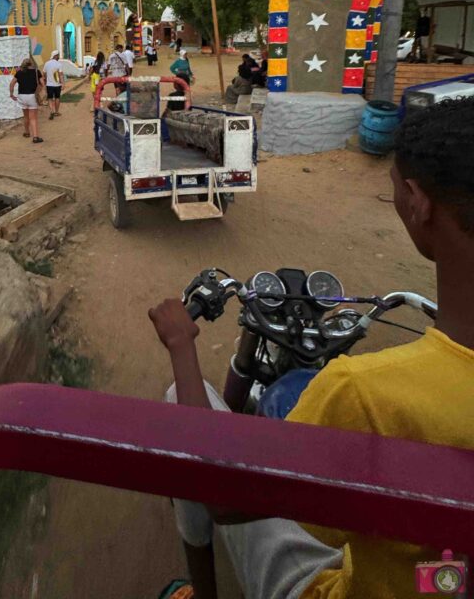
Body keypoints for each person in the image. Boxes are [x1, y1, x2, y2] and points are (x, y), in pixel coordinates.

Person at [149, 96, 474, 599]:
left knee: (181, 398)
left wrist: (181, 344)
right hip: (442, 578)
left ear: (417, 201)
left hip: (348, 587)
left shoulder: (365, 392)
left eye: (393, 193)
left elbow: (223, 497)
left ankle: (202, 590)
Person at [9, 57, 44, 143]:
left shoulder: (19, 73)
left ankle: (27, 132)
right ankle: (35, 137)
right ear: (31, 64)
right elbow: (42, 83)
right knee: (33, 118)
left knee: (26, 116)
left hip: (22, 96)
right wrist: (42, 91)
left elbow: (12, 83)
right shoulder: (36, 72)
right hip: (32, 96)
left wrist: (11, 94)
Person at [43, 49, 64, 121]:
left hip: (49, 85)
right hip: (57, 85)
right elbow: (61, 75)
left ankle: (52, 111)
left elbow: (44, 74)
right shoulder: (59, 64)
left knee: (50, 98)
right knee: (57, 98)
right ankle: (56, 112)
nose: (59, 57)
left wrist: (46, 80)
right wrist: (63, 83)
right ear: (56, 56)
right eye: (58, 55)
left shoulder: (46, 63)